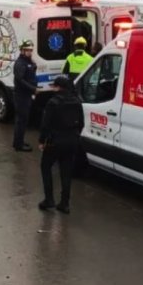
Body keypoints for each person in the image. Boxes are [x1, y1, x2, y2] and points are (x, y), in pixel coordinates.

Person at [37, 76, 84, 214]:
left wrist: (41, 141)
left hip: (55, 141)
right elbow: (81, 123)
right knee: (66, 171)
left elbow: (45, 124)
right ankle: (65, 203)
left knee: (45, 166)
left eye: (54, 86)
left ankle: (49, 199)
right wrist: (75, 136)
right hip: (72, 141)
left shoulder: (53, 102)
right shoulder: (77, 101)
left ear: (58, 87)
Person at [12, 40, 38, 152]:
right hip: (21, 95)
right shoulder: (20, 63)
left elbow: (30, 74)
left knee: (23, 120)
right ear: (22, 51)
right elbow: (20, 80)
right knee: (21, 120)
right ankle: (18, 144)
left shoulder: (27, 61)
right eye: (27, 50)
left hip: (26, 94)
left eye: (31, 50)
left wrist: (33, 65)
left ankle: (19, 141)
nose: (30, 52)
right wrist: (33, 89)